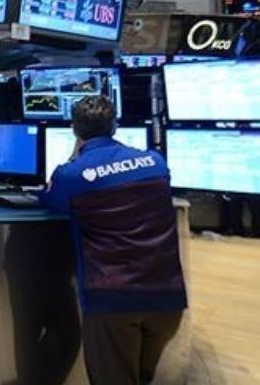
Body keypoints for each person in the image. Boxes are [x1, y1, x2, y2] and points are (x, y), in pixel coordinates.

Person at [38, 96, 186, 385]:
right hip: (168, 299)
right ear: (114, 126)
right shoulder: (155, 161)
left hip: (113, 300)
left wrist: (74, 157)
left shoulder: (71, 175)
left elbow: (50, 202)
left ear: (74, 130)